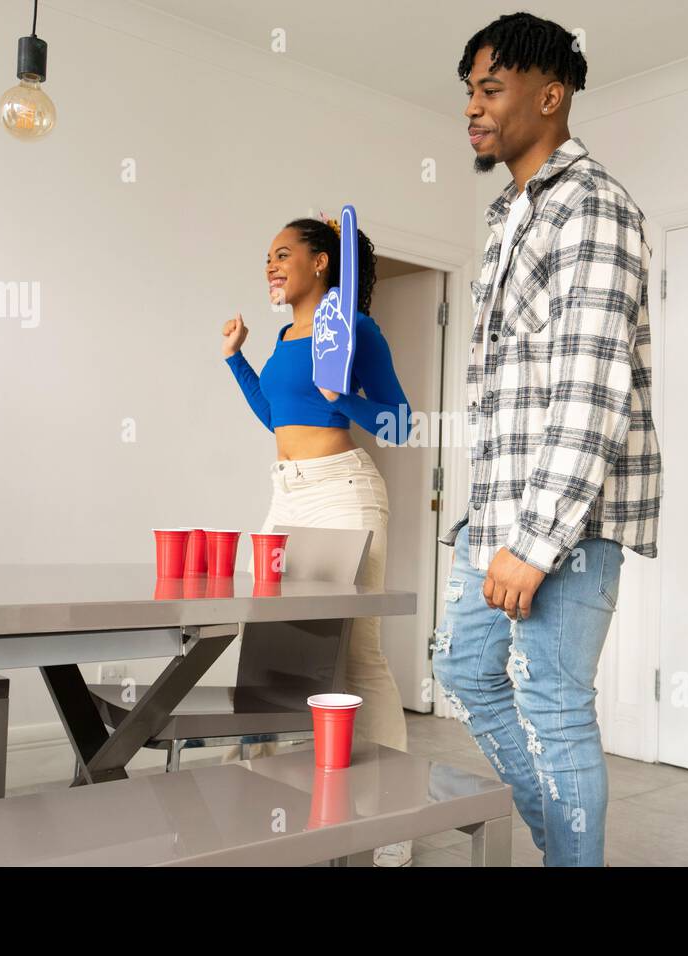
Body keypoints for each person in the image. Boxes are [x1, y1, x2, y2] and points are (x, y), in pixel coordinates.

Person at [432, 12, 663, 867]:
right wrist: (486, 527)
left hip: (559, 526)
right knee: (462, 672)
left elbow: (591, 385)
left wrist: (534, 544)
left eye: (491, 89)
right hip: (491, 513)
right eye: (469, 93)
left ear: (551, 94)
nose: (473, 108)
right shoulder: (508, 219)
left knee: (553, 702)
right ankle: (566, 851)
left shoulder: (595, 208)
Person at [221, 214, 416, 866]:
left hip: (342, 492)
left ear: (322, 263)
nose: (271, 267)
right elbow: (276, 416)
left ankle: (391, 825)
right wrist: (236, 361)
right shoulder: (284, 336)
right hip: (287, 490)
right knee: (270, 647)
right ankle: (254, 797)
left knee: (359, 655)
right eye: (266, 259)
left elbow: (398, 422)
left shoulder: (354, 330)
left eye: (282, 254)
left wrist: (347, 397)